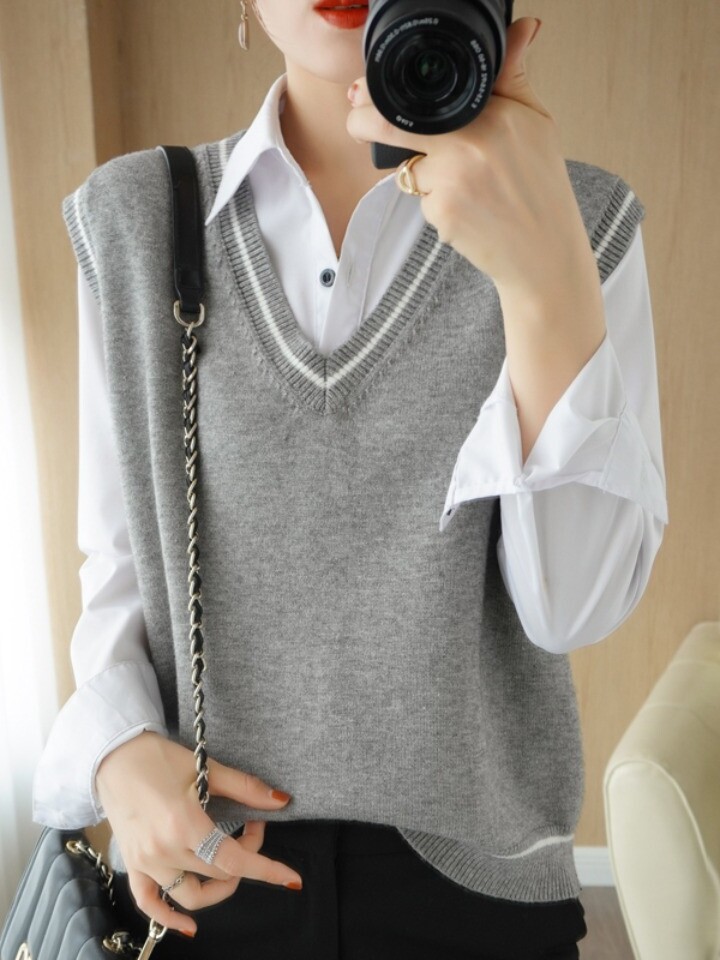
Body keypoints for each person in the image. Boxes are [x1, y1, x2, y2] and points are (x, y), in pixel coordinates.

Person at [32, 1, 668, 957]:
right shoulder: (134, 218)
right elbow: (120, 564)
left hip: (479, 890)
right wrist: (115, 754)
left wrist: (544, 281)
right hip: (204, 870)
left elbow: (570, 610)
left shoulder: (580, 221)